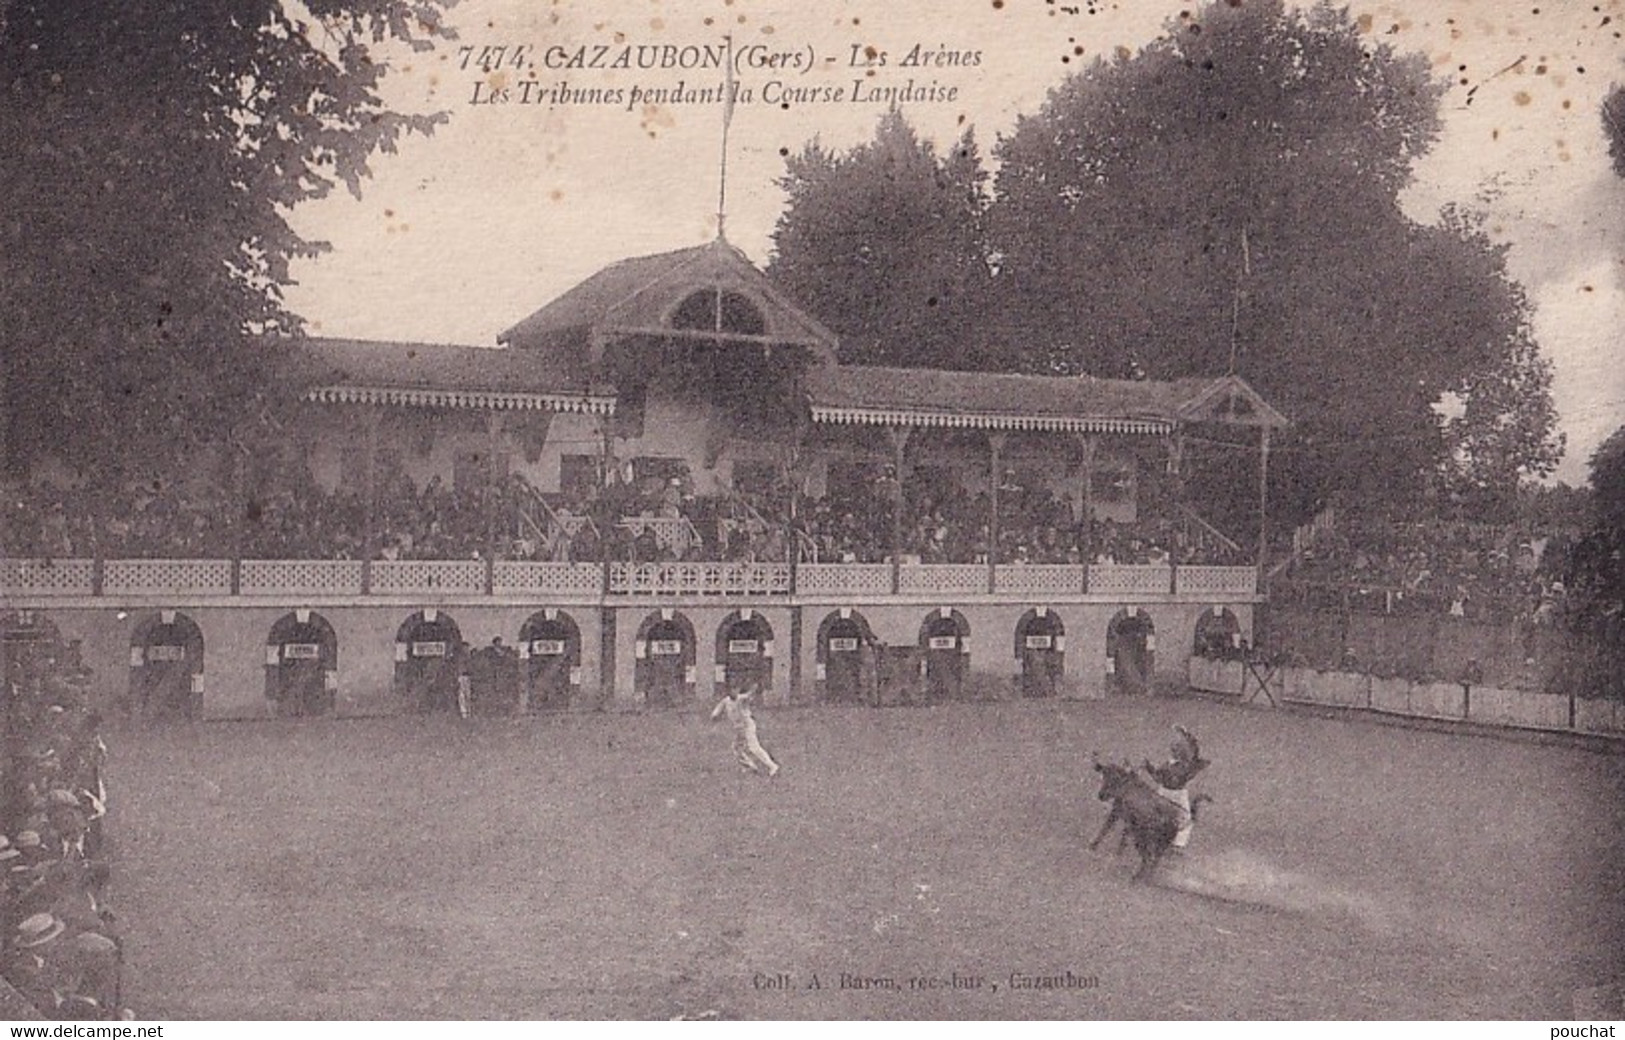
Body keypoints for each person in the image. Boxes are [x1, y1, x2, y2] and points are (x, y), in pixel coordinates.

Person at [1143, 725, 1208, 852]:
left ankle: (1163, 840)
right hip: (1174, 792)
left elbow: (1158, 777)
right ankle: (1177, 843)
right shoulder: (1179, 765)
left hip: (1168, 792)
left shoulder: (1173, 765)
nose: (1174, 751)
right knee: (1184, 819)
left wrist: (1148, 768)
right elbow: (1159, 777)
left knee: (1160, 815)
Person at [709, 685, 779, 777]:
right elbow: (717, 710)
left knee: (754, 747)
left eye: (735, 689)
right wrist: (714, 715)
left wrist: (754, 688)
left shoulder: (741, 699)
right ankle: (750, 766)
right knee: (736, 748)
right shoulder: (726, 701)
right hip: (738, 729)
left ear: (738, 690)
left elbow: (748, 696)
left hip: (748, 726)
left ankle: (773, 766)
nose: (733, 692)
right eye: (730, 690)